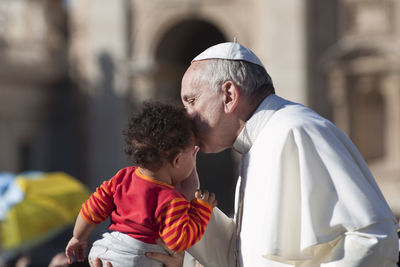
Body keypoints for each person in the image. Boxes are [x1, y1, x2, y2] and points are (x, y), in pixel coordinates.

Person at [148, 42, 399, 267]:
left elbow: (373, 240)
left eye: (191, 101)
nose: (186, 117)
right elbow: (242, 258)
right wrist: (188, 200)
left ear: (229, 95)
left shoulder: (297, 130)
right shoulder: (255, 146)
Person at [65, 101, 217, 267]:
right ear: (177, 159)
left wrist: (78, 237)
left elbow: (91, 208)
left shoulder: (122, 177)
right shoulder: (171, 200)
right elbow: (178, 241)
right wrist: (201, 210)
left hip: (102, 250)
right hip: (137, 259)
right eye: (193, 154)